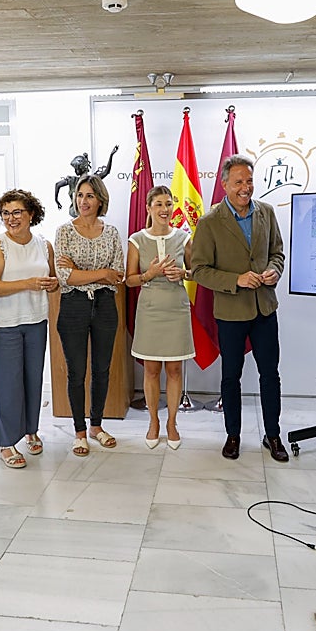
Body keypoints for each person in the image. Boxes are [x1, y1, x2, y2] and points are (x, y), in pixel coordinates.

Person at [190, 154, 287, 462]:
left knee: (269, 374)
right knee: (231, 376)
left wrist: (274, 271)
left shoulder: (267, 213)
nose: (245, 188)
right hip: (230, 313)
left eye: (249, 181)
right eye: (238, 182)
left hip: (264, 310)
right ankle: (233, 435)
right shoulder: (209, 222)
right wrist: (237, 279)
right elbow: (200, 270)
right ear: (224, 185)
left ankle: (273, 434)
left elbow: (277, 253)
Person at [0, 189, 59, 467]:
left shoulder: (43, 244)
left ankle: (30, 430)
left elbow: (52, 278)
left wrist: (52, 283)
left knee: (32, 380)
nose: (11, 218)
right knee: (6, 385)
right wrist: (27, 283)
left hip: (36, 320)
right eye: (5, 213)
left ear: (31, 214)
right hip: (5, 325)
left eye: (17, 212)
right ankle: (5, 442)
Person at [54, 173, 125, 456]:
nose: (83, 201)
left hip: (106, 305)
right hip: (73, 306)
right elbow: (64, 276)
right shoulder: (64, 232)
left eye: (89, 196)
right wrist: (101, 273)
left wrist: (84, 273)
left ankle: (97, 426)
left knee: (102, 369)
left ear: (100, 200)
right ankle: (80, 431)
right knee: (76, 372)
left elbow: (117, 274)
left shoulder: (111, 233)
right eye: (80, 195)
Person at [125, 185, 194, 449]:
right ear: (149, 208)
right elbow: (129, 280)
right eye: (159, 205)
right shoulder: (137, 239)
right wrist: (149, 274)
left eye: (168, 204)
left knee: (175, 369)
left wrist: (184, 274)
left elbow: (197, 269)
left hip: (176, 308)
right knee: (151, 369)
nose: (165, 210)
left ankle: (172, 423)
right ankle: (153, 421)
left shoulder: (184, 238)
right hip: (150, 310)